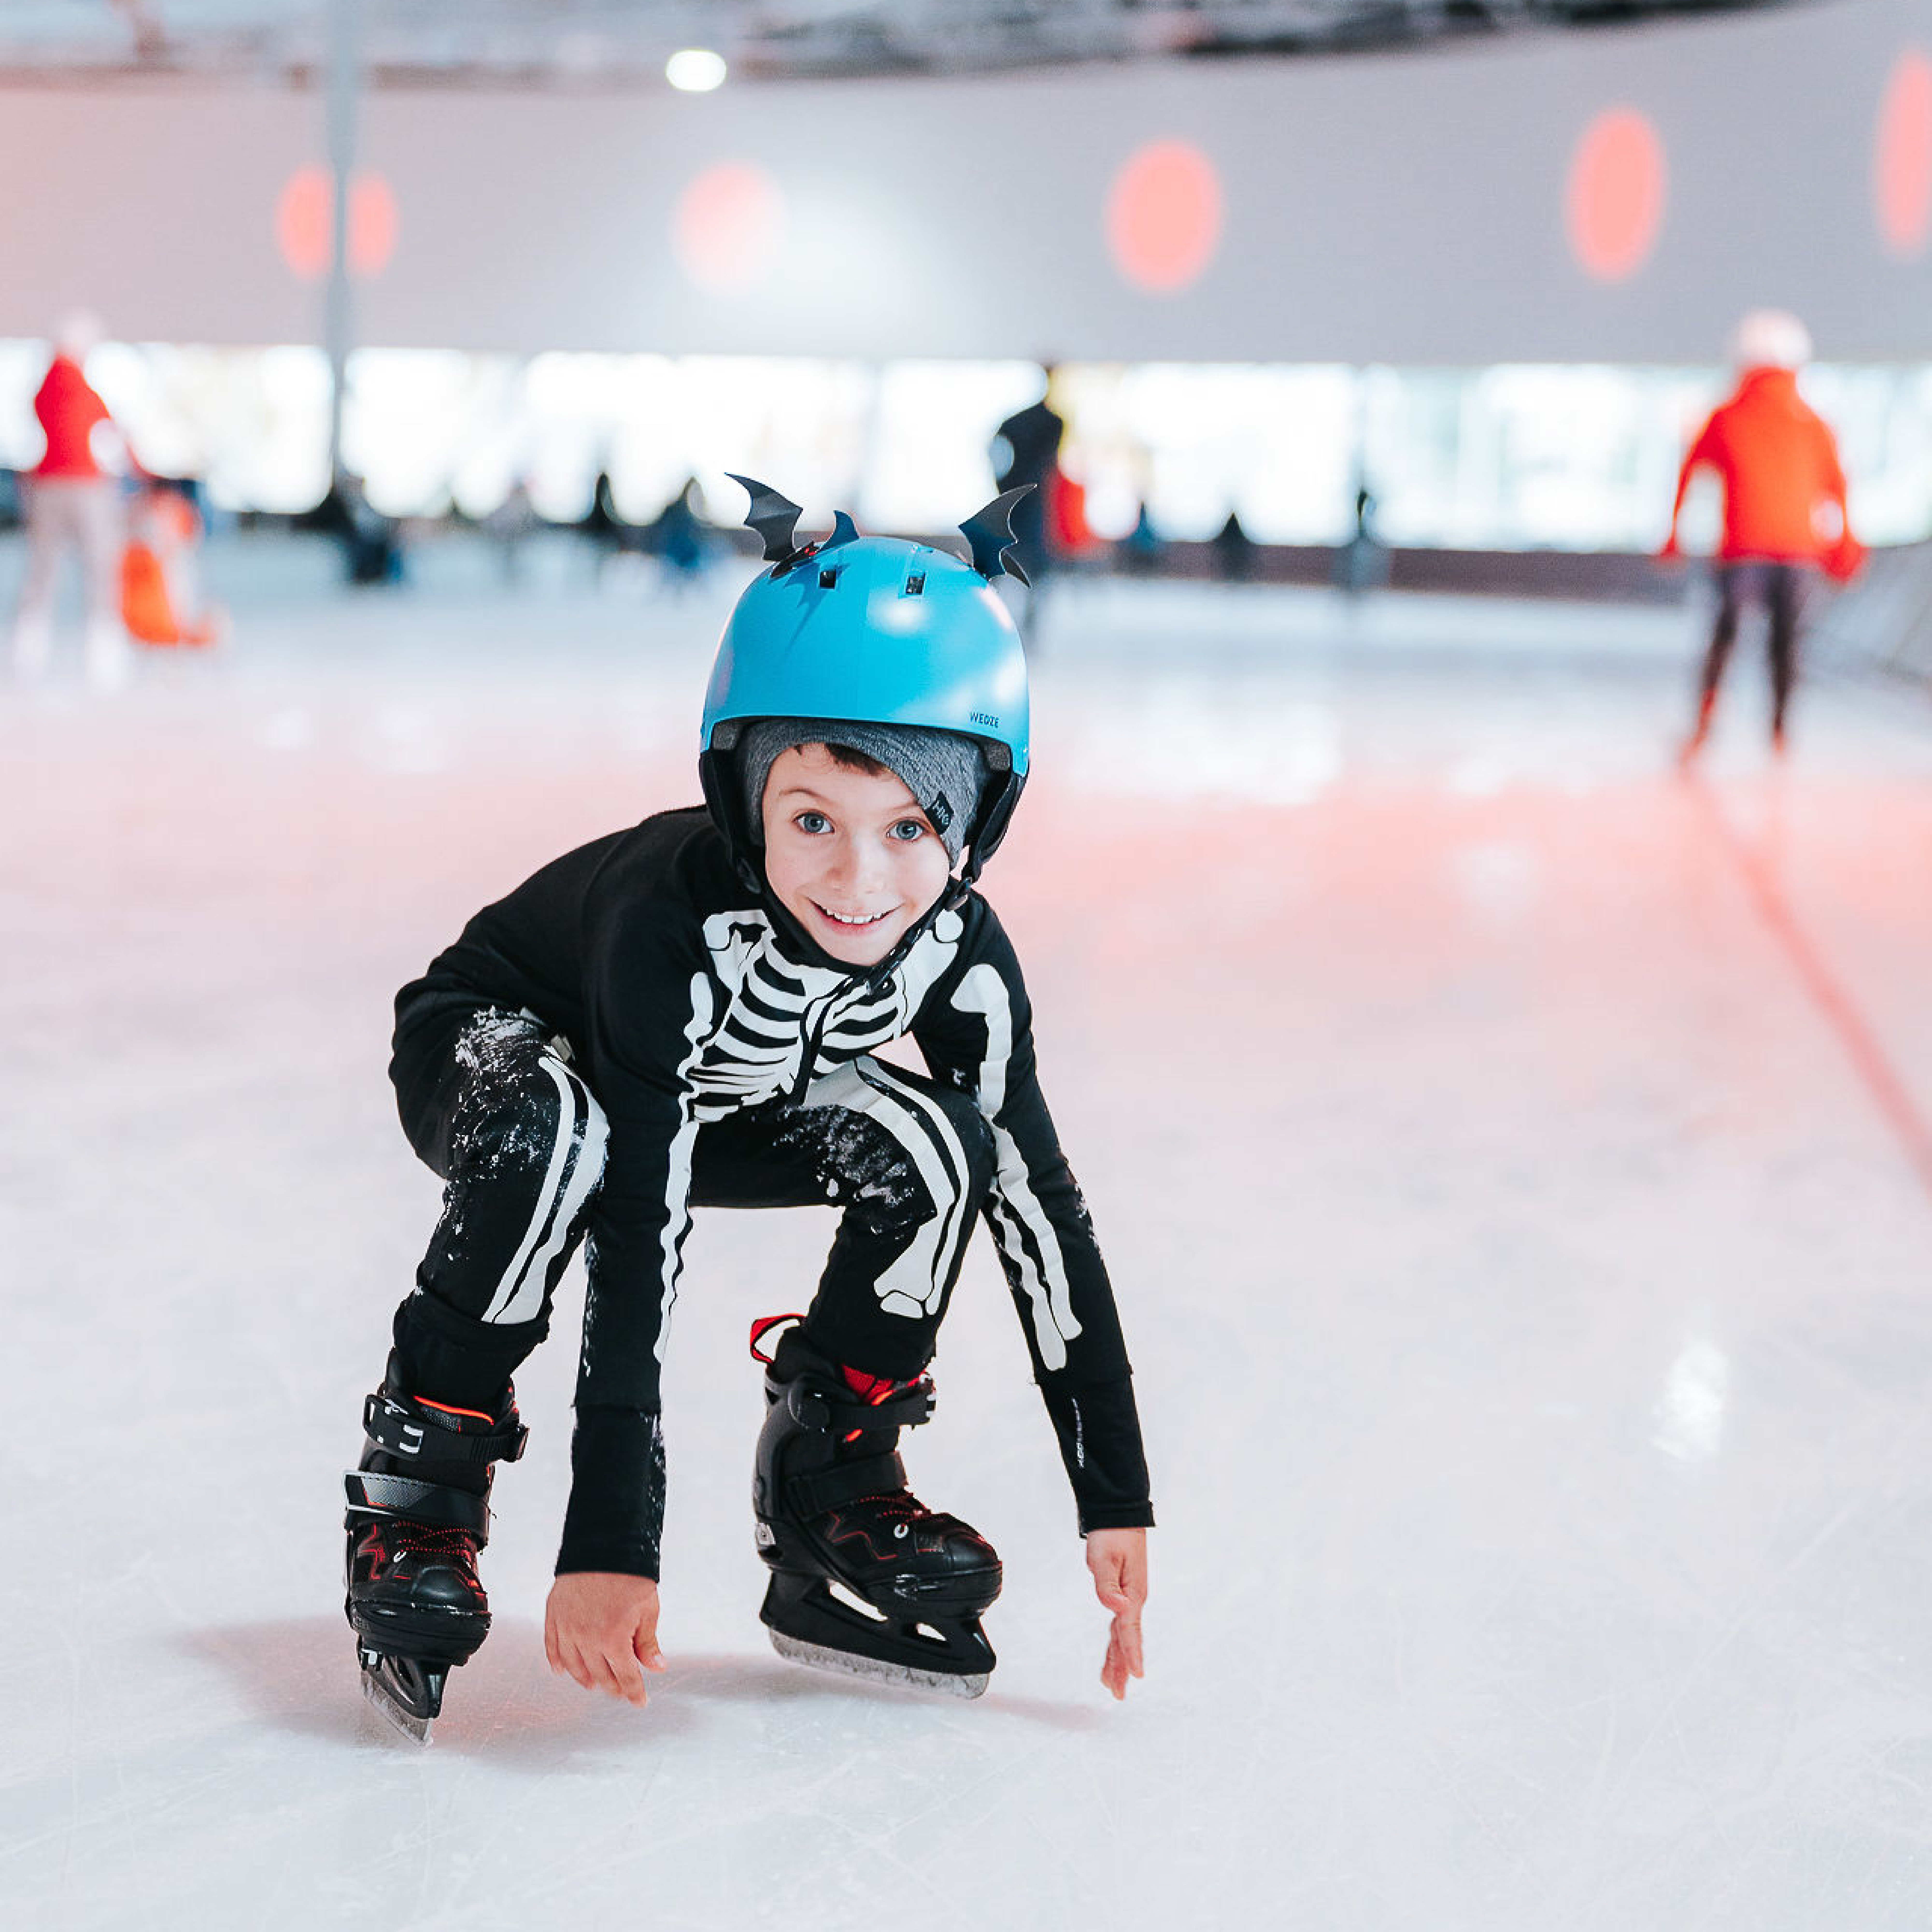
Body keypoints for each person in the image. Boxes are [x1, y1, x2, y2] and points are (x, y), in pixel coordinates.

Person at [341, 477, 1153, 1739]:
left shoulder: (961, 955)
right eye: (811, 818)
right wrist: (611, 1540)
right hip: (501, 1044)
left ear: (977, 823)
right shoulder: (670, 924)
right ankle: (419, 1492)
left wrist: (1114, 1494)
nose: (858, 879)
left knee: (950, 1149)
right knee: (568, 1139)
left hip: (714, 1091)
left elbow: (1041, 1203)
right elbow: (639, 1222)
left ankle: (831, 1477)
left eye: (911, 827)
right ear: (742, 796)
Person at [1662, 310, 1864, 762]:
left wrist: (1674, 534)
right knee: (1787, 642)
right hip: (1799, 552)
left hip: (1744, 550)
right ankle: (1780, 731)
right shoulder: (1813, 423)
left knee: (1727, 635)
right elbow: (1838, 490)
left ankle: (1707, 720)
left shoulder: (1727, 416)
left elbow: (1688, 475)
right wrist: (1846, 545)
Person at [9, 311, 132, 690]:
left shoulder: (46, 387)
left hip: (47, 485)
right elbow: (108, 428)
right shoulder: (76, 384)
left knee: (43, 568)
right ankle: (103, 652)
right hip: (83, 487)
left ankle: (30, 651)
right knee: (98, 566)